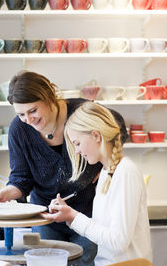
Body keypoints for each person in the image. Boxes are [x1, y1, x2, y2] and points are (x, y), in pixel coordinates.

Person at [0, 71, 128, 266]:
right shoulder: (20, 128)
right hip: (46, 216)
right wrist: (5, 193)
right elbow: (21, 178)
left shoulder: (81, 112)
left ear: (49, 98)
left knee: (84, 262)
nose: (28, 119)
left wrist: (105, 164)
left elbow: (117, 126)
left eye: (33, 111)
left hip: (87, 214)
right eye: (21, 114)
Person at [41, 101, 152, 266]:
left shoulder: (125, 171)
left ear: (96, 135)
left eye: (77, 143)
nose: (77, 151)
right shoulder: (107, 172)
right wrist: (69, 215)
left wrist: (73, 216)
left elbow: (118, 242)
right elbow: (104, 232)